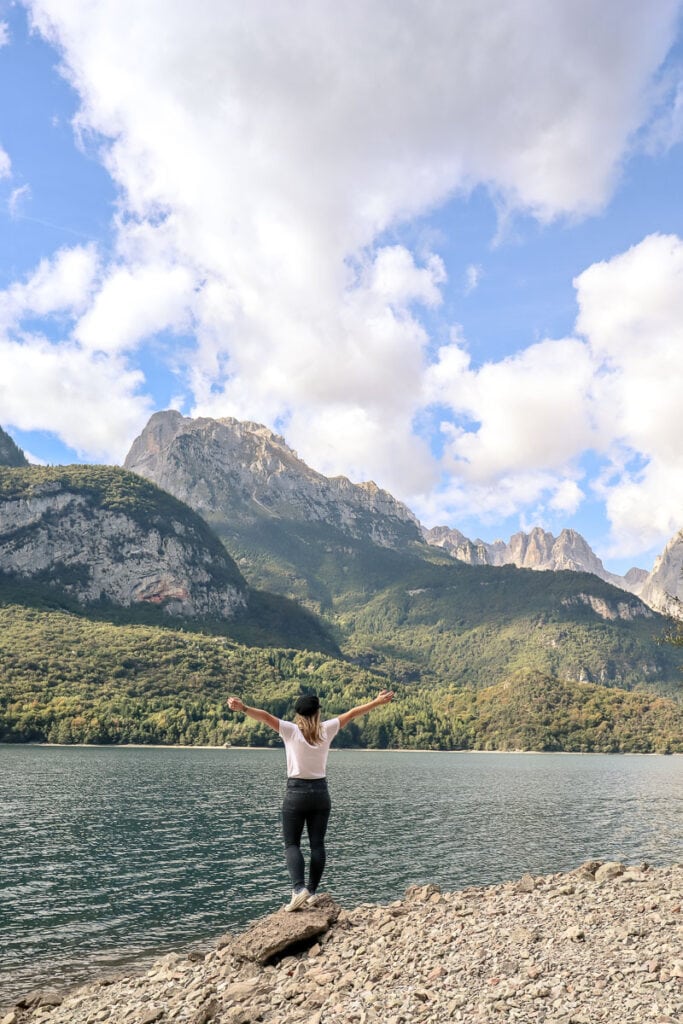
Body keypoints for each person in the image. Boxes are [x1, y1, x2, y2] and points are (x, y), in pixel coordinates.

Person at [227, 689, 395, 911]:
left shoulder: (290, 730)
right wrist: (376, 702)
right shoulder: (327, 729)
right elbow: (353, 713)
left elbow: (266, 716)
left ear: (298, 714)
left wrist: (244, 708)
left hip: (296, 793)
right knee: (317, 844)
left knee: (292, 844)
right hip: (320, 793)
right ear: (318, 712)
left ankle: (298, 890)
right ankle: (312, 892)